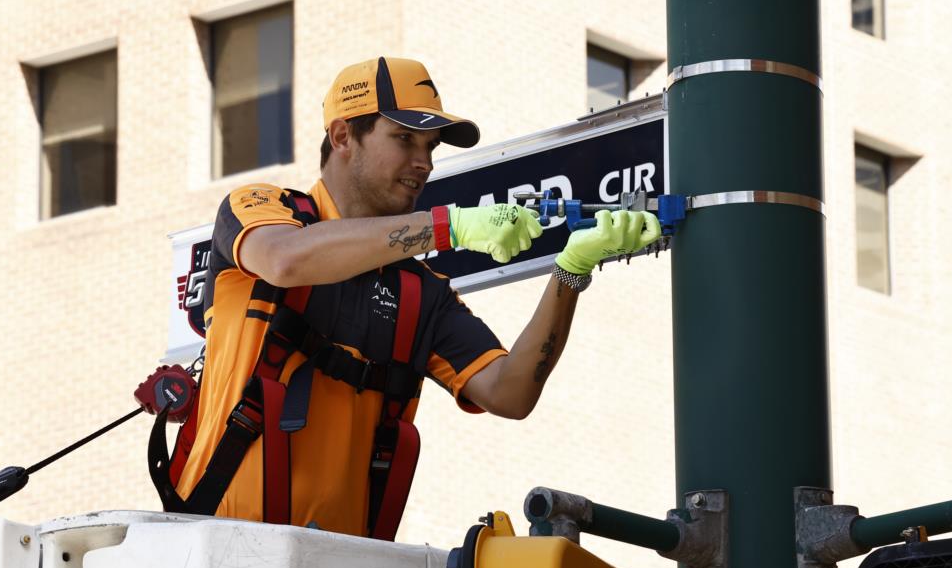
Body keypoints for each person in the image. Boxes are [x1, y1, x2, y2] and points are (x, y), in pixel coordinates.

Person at [161, 56, 660, 538]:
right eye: (403, 139)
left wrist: (570, 272)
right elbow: (286, 261)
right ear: (342, 136)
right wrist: (448, 226)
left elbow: (510, 393)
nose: (423, 162)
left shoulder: (421, 294)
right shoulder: (263, 208)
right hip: (212, 553)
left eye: (431, 146)